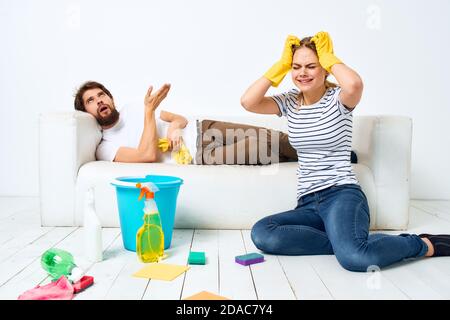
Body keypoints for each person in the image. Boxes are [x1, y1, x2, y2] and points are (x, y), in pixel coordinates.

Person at [241, 31, 450, 272]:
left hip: (341, 195)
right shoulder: (289, 102)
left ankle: (422, 244)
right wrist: (280, 65)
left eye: (311, 66)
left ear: (325, 69)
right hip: (307, 203)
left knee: (356, 260)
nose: (302, 73)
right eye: (296, 66)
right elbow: (248, 102)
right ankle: (348, 242)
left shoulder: (338, 99)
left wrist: (329, 56)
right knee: (263, 234)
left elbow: (354, 83)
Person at [73, 81, 298, 165]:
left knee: (272, 136)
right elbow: (147, 155)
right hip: (199, 155)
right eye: (90, 100)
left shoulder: (133, 107)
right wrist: (149, 111)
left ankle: (324, 150)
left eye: (101, 94)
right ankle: (314, 155)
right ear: (87, 112)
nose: (99, 100)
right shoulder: (105, 147)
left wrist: (174, 129)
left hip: (202, 128)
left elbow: (177, 118)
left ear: (111, 98)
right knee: (259, 146)